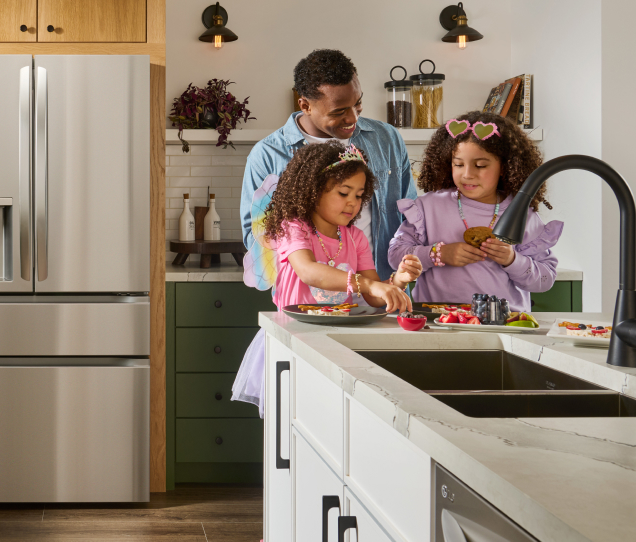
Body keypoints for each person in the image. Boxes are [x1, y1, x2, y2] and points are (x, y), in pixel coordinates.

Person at [232, 142, 421, 415]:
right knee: (290, 422)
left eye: (358, 195)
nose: (353, 203)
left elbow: (372, 297)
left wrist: (398, 282)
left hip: (336, 343)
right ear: (313, 190)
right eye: (344, 192)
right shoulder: (293, 228)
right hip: (293, 340)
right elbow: (309, 271)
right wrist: (366, 283)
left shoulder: (355, 239)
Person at [241, 49, 416, 279]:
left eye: (357, 103)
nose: (353, 117)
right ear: (305, 105)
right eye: (339, 111)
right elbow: (255, 235)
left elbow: (410, 215)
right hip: (306, 300)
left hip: (383, 290)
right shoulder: (267, 155)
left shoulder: (387, 139)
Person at [387, 112, 562, 312]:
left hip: (504, 323)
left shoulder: (521, 214)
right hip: (438, 320)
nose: (468, 174)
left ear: (504, 167)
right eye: (458, 164)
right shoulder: (428, 207)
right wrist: (438, 254)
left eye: (480, 165)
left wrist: (512, 260)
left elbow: (546, 279)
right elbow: (395, 255)